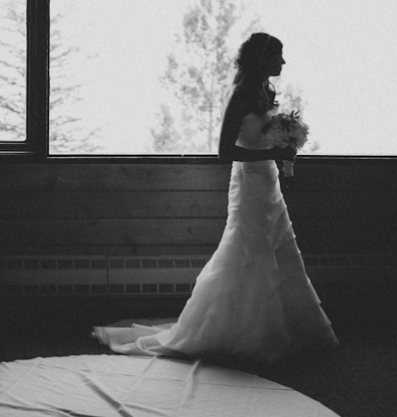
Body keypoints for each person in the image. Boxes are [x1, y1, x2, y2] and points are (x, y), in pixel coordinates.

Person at [93, 33, 339, 365]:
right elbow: (225, 152)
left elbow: (266, 138)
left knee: (280, 250)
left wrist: (283, 150)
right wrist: (271, 151)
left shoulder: (266, 91)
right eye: (278, 56)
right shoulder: (239, 95)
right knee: (248, 251)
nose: (283, 62)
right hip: (249, 182)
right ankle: (244, 332)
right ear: (261, 59)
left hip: (269, 183)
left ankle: (292, 330)